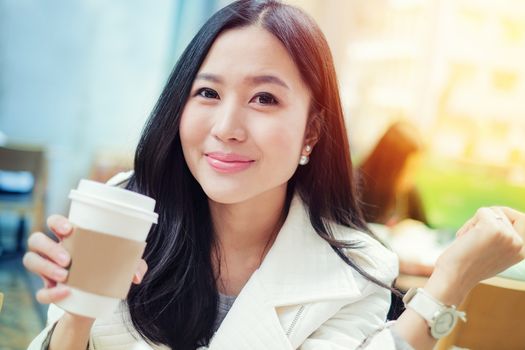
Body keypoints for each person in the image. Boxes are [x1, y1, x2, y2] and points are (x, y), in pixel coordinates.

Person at [24, 1, 524, 349]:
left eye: (264, 98)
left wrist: (453, 278)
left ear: (311, 132)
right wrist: (78, 311)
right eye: (207, 93)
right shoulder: (126, 212)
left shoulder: (352, 270)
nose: (226, 128)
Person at [358, 121, 427, 226]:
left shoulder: (409, 193)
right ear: (390, 167)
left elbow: (426, 228)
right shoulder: (358, 191)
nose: (412, 176)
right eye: (409, 169)